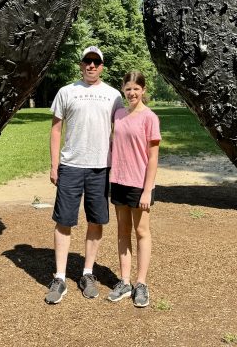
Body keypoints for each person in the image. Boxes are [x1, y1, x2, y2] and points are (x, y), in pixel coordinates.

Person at [44, 46, 123, 304]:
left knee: (96, 221)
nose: (91, 66)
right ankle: (60, 277)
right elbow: (56, 130)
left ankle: (87, 273)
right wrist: (55, 165)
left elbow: (122, 133)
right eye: (87, 61)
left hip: (100, 167)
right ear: (81, 65)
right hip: (70, 166)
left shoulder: (113, 96)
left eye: (96, 62)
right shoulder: (67, 92)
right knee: (64, 220)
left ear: (102, 66)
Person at [106, 71, 161, 307]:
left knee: (142, 232)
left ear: (143, 90)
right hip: (118, 180)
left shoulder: (150, 118)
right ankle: (125, 281)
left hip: (139, 184)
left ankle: (141, 284)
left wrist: (147, 190)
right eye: (128, 88)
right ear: (123, 89)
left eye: (136, 89)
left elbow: (153, 157)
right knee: (122, 232)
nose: (132, 93)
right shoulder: (118, 114)